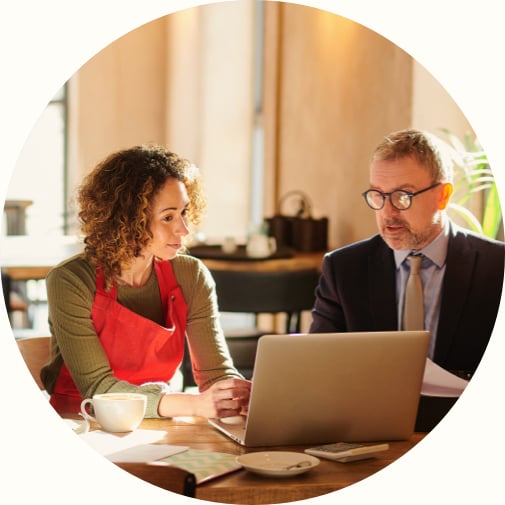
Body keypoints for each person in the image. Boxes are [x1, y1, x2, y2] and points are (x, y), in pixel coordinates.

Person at [41, 144, 251, 419]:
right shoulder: (70, 280)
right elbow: (99, 388)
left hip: (159, 425)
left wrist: (237, 395)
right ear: (128, 220)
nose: (184, 229)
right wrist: (194, 405)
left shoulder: (191, 275)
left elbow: (215, 375)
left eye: (184, 213)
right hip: (83, 426)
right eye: (168, 217)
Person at [310, 128, 504, 377]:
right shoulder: (343, 269)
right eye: (378, 195)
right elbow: (318, 365)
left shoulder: (496, 268)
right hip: (372, 415)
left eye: (402, 196)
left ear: (442, 196)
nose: (387, 212)